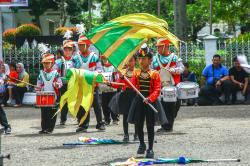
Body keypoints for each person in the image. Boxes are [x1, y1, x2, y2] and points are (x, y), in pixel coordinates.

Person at [127, 45, 161, 158]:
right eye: (140, 59)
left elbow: (157, 89)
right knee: (138, 124)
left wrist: (150, 98)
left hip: (150, 101)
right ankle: (141, 144)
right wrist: (124, 77)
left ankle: (150, 148)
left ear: (150, 60)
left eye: (144, 59)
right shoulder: (136, 73)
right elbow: (132, 85)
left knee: (150, 125)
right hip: (139, 101)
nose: (141, 61)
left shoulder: (155, 74)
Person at [73, 35, 105, 132]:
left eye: (82, 45)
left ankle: (100, 123)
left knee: (97, 105)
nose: (80, 47)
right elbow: (72, 69)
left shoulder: (94, 57)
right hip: (81, 86)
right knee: (83, 106)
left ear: (87, 45)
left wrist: (97, 73)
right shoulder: (75, 58)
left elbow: (100, 69)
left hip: (92, 85)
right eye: (79, 45)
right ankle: (83, 125)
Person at [152, 38, 184, 132]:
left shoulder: (175, 58)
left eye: (159, 47)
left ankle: (169, 123)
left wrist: (173, 70)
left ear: (166, 47)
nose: (157, 49)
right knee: (164, 106)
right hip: (160, 86)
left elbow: (181, 68)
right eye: (157, 47)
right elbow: (150, 70)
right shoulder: (154, 59)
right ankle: (166, 126)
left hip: (173, 86)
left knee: (175, 105)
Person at [111, 55, 138, 142]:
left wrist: (124, 78)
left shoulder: (138, 72)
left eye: (131, 61)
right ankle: (126, 135)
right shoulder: (122, 72)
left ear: (135, 62)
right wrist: (110, 83)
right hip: (125, 95)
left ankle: (136, 134)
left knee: (136, 115)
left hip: (135, 95)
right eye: (128, 61)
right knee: (125, 116)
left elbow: (135, 84)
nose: (129, 63)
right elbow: (118, 84)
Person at [36, 53, 62, 134]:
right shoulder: (41, 74)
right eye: (44, 63)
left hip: (53, 96)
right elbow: (39, 84)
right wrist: (38, 88)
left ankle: (50, 129)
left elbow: (60, 83)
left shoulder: (56, 73)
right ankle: (44, 128)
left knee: (52, 113)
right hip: (44, 96)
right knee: (44, 113)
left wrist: (57, 85)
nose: (46, 65)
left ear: (52, 63)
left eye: (48, 63)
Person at [54, 39, 75, 125]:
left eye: (69, 50)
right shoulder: (58, 61)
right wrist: (57, 81)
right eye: (65, 50)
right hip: (63, 84)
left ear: (72, 50)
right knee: (63, 102)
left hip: (73, 84)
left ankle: (78, 118)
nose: (67, 51)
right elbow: (55, 72)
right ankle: (63, 119)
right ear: (63, 50)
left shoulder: (76, 60)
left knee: (75, 101)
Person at [99, 56, 119, 125]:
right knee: (104, 105)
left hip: (113, 90)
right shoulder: (101, 68)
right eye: (103, 59)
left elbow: (117, 78)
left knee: (113, 104)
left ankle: (115, 119)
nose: (105, 60)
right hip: (104, 90)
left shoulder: (114, 68)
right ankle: (107, 119)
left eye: (106, 58)